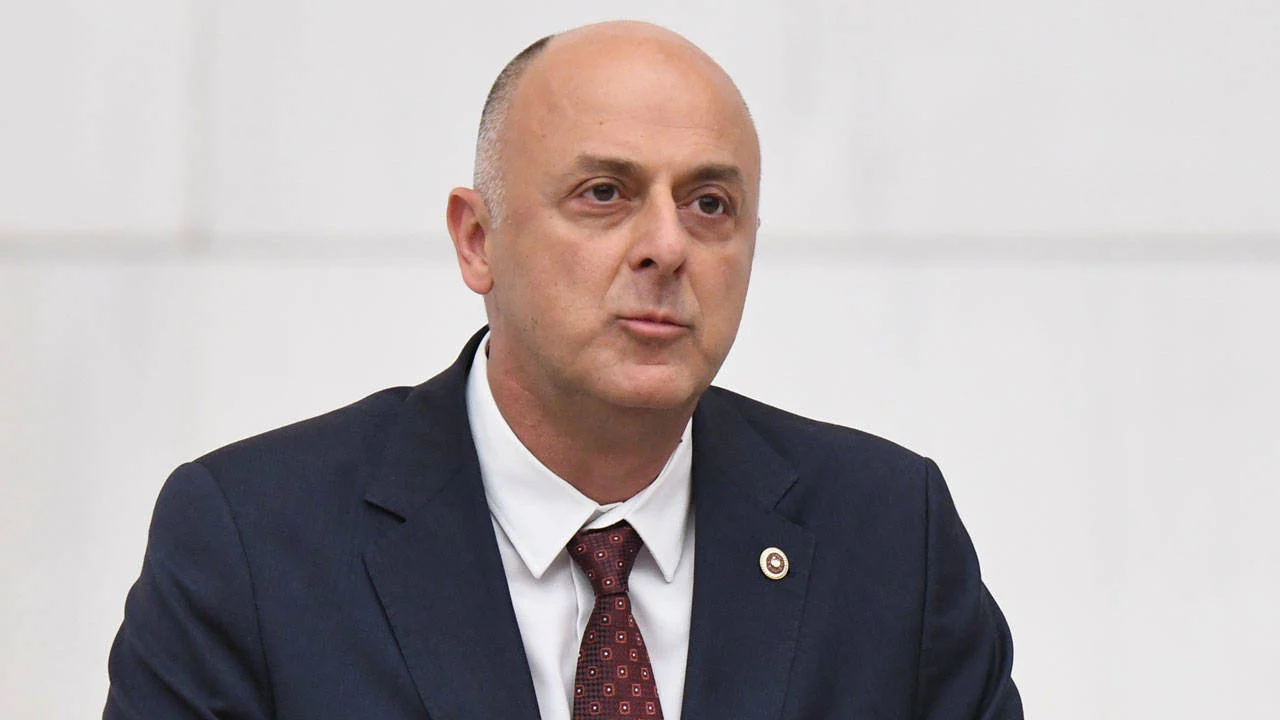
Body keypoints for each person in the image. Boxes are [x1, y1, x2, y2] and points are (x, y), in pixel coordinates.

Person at [105, 20, 1022, 720]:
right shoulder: (253, 542)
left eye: (710, 204)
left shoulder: (889, 536)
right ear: (477, 240)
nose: (666, 246)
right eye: (604, 194)